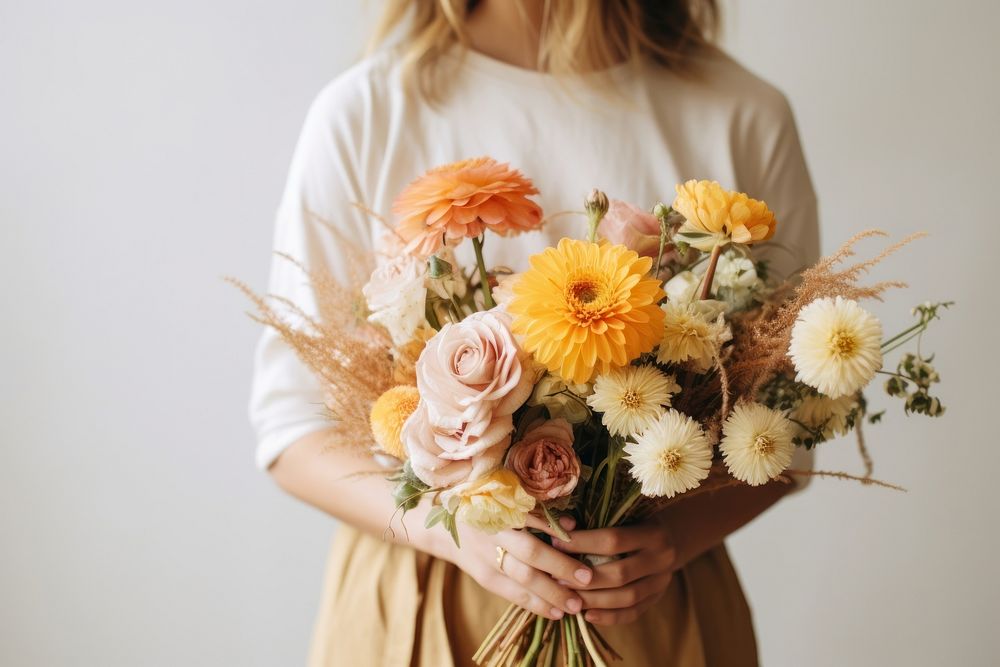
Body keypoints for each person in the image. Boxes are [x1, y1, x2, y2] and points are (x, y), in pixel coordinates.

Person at [250, 1, 819, 665]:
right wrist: (451, 530)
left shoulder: (741, 115)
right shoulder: (368, 112)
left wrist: (666, 543)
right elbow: (290, 424)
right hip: (422, 605)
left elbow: (788, 425)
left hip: (652, 611)